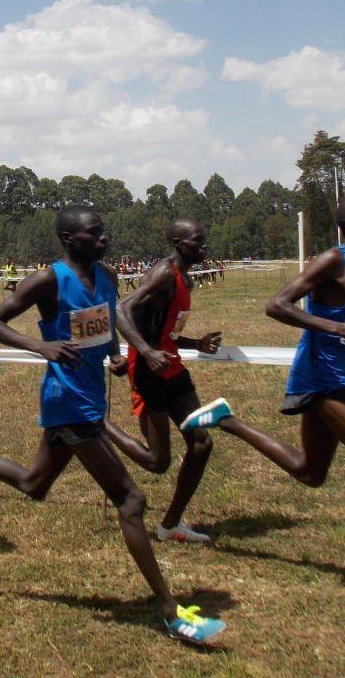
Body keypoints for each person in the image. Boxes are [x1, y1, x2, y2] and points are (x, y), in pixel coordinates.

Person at [0, 207, 225, 642]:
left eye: (103, 232)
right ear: (68, 238)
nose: (103, 238)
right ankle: (172, 614)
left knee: (33, 484)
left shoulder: (109, 276)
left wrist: (115, 353)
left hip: (89, 394)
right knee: (131, 501)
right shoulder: (48, 280)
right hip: (67, 402)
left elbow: (105, 322)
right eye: (94, 234)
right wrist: (42, 346)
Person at [184, 194, 345, 604]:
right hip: (321, 380)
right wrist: (335, 329)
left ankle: (226, 420)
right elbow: (277, 305)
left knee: (311, 472)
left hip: (336, 374)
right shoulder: (333, 261)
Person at [104, 219, 223, 544]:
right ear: (178, 243)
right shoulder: (163, 273)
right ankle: (100, 425)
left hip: (173, 368)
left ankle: (171, 525)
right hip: (149, 370)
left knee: (202, 443)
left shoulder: (184, 278)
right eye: (198, 241)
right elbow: (121, 308)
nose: (204, 246)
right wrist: (145, 352)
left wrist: (196, 343)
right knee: (158, 462)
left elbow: (163, 329)